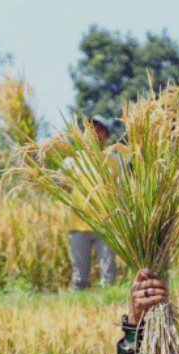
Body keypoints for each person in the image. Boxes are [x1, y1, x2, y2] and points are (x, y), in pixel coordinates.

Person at [67, 115, 119, 290]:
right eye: (90, 130)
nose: (94, 134)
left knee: (108, 276)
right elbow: (57, 181)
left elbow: (122, 193)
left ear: (106, 136)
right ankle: (76, 309)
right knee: (79, 277)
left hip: (106, 226)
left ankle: (108, 306)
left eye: (98, 130)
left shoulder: (114, 160)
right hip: (79, 225)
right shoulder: (73, 159)